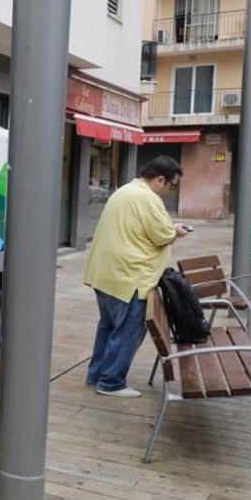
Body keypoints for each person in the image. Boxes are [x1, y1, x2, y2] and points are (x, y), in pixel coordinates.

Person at [82, 155, 189, 397]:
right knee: (128, 331)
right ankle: (111, 383)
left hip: (106, 275)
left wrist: (169, 229)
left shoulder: (125, 190)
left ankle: (96, 374)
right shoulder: (147, 198)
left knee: (108, 326)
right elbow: (162, 235)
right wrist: (177, 231)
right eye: (172, 186)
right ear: (160, 180)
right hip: (130, 278)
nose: (170, 191)